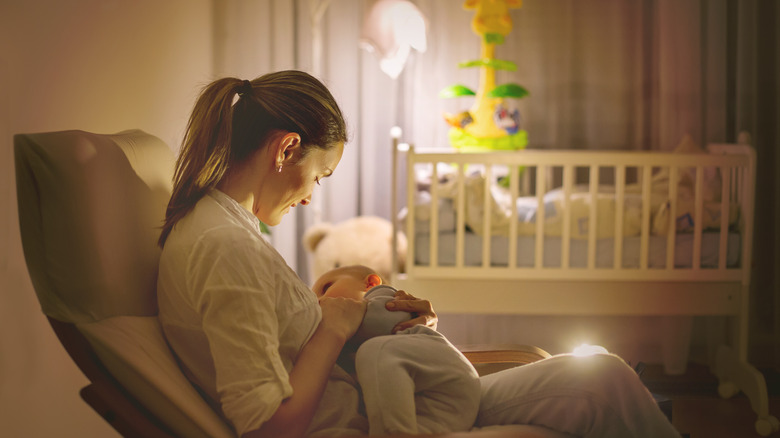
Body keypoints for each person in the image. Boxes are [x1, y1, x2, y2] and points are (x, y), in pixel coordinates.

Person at [156, 69, 682, 438]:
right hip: (384, 423)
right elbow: (269, 427)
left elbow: (292, 344)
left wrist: (400, 331)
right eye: (319, 174)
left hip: (395, 396)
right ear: (286, 148)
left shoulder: (230, 230)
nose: (312, 194)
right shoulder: (223, 248)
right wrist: (336, 325)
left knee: (603, 376)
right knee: (603, 389)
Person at [311, 265, 481, 435]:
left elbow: (385, 321)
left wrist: (336, 322)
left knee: (375, 351)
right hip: (424, 411)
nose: (320, 300)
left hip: (447, 385)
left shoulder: (387, 300)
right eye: (315, 298)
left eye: (325, 288)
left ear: (370, 283)